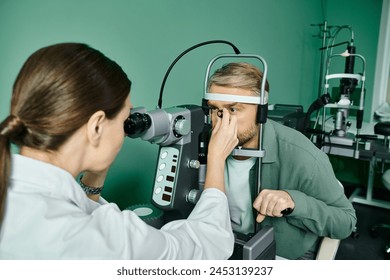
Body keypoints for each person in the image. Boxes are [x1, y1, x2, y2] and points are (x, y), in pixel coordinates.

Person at [0, 43, 239, 259]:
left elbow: (73, 207)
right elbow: (208, 241)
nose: (125, 133)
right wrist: (216, 158)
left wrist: (96, 162)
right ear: (96, 126)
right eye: (125, 120)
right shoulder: (105, 239)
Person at [206, 62, 357, 260]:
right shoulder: (203, 143)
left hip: (280, 254)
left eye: (233, 110)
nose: (221, 122)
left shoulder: (302, 155)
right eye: (215, 109)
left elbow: (346, 222)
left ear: (262, 111)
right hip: (224, 246)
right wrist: (214, 157)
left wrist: (295, 203)